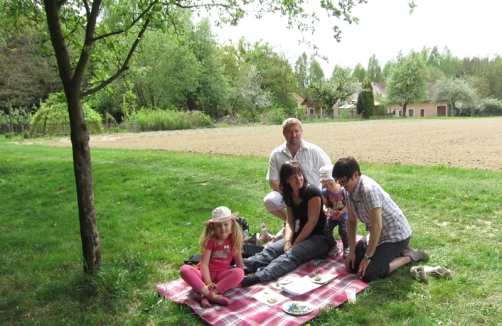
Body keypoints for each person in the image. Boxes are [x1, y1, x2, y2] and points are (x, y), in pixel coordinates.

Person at [332, 157, 428, 282]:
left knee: (368, 274)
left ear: (356, 175)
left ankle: (408, 257)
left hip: (395, 235)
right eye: (339, 182)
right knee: (353, 266)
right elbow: (351, 221)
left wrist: (367, 258)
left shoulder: (369, 190)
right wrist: (352, 251)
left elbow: (377, 226)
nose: (342, 186)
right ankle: (396, 252)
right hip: (378, 235)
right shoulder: (348, 191)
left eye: (344, 181)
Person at [241, 161, 329, 287]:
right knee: (271, 249)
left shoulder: (312, 192)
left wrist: (296, 243)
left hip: (319, 238)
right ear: (286, 179)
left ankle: (259, 276)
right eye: (293, 177)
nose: (298, 179)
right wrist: (288, 241)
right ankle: (240, 267)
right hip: (301, 233)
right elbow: (290, 221)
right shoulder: (290, 194)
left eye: (300, 175)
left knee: (291, 255)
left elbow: (312, 222)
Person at [263, 118, 331, 234]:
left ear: (301, 132)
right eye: (289, 132)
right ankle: (290, 222)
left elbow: (330, 173)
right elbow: (273, 181)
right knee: (269, 200)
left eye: (296, 131)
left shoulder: (314, 151)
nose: (293, 135)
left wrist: (326, 197)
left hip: (312, 196)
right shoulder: (276, 154)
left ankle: (300, 226)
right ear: (284, 133)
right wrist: (290, 194)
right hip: (289, 194)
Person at [179, 206, 245, 308]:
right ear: (213, 227)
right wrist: (208, 282)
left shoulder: (234, 239)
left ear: (232, 224)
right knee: (184, 269)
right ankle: (212, 295)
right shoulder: (210, 241)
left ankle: (205, 294)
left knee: (239, 272)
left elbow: (238, 259)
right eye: (218, 225)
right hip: (202, 275)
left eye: (226, 224)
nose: (223, 228)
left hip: (220, 277)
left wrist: (241, 277)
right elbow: (204, 264)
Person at [319, 165, 349, 258]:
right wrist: (325, 209)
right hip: (333, 215)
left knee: (343, 231)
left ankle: (347, 246)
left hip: (344, 215)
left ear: (336, 180)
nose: (328, 187)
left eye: (330, 183)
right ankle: (334, 245)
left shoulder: (344, 191)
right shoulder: (325, 192)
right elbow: (325, 203)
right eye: (325, 184)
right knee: (326, 229)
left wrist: (341, 212)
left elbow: (348, 204)